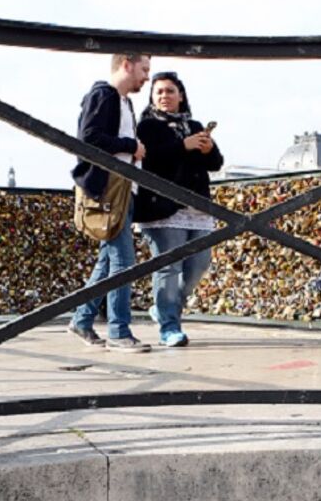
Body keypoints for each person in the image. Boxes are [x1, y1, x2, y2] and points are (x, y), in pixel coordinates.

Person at [69, 53, 152, 353]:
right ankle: (118, 331)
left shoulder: (123, 101)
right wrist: (132, 146)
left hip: (120, 190)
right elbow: (87, 139)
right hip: (109, 190)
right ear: (126, 64)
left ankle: (82, 317)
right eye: (144, 69)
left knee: (108, 261)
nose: (146, 77)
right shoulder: (104, 95)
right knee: (123, 262)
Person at [134, 72, 223, 347]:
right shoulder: (146, 126)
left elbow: (216, 164)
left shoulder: (194, 124)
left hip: (197, 206)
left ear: (180, 95)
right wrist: (183, 146)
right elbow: (149, 161)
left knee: (199, 264)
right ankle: (169, 326)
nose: (164, 96)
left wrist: (208, 150)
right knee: (168, 268)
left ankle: (165, 311)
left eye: (170, 91)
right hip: (162, 206)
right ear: (152, 96)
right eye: (158, 91)